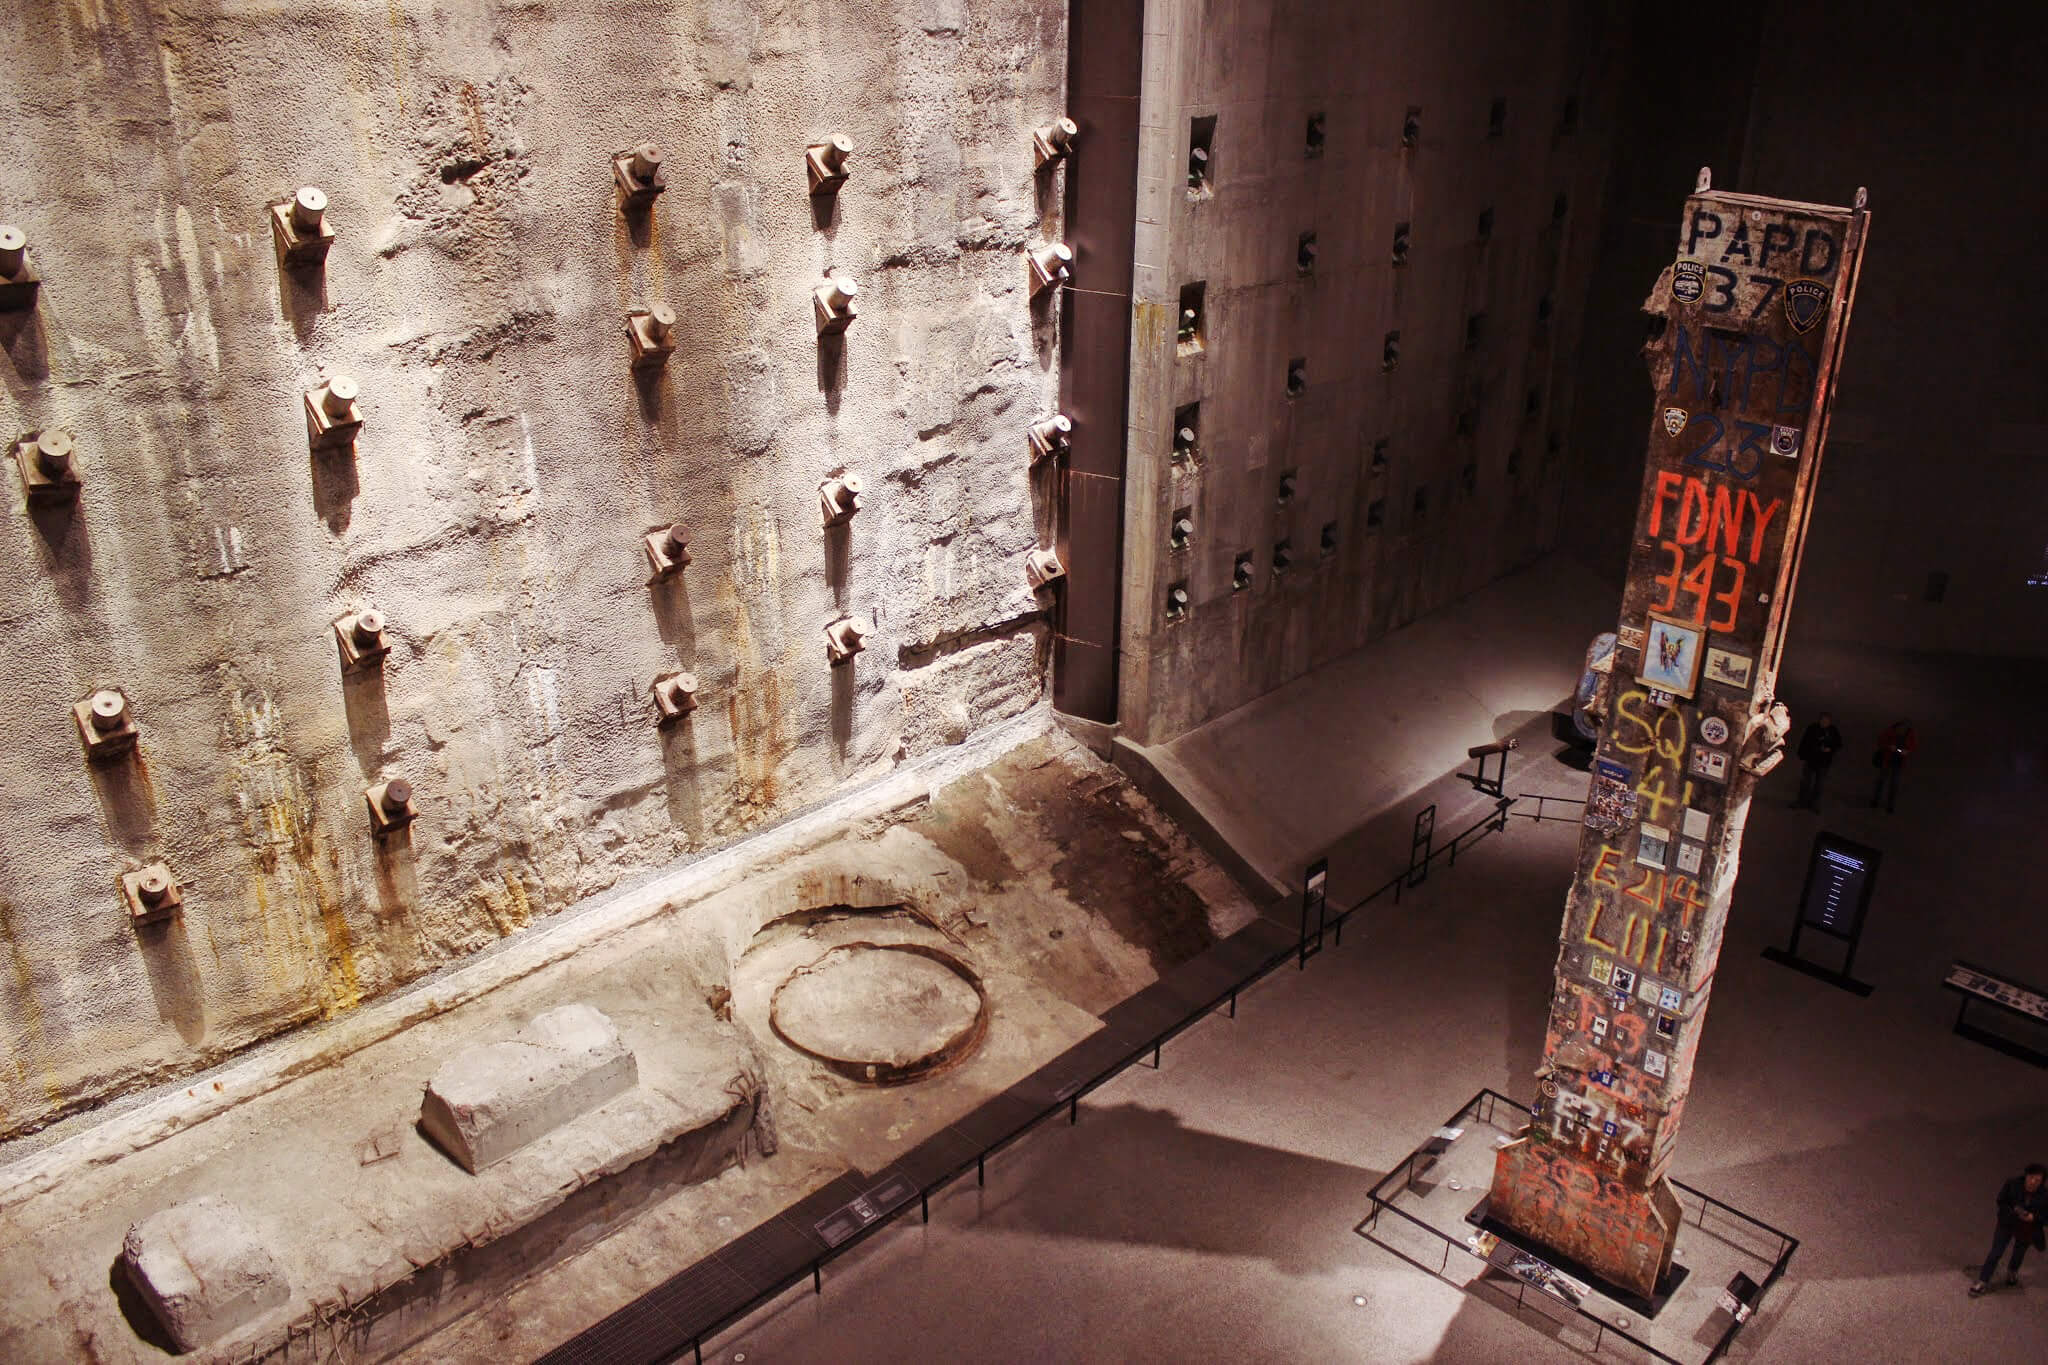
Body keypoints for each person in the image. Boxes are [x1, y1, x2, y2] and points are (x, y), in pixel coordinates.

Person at [1970, 1163, 2048, 1295]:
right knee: (1996, 1252)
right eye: (2031, 1177)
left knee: (2019, 1253)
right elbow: (2001, 1201)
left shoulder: (2045, 1196)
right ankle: (1983, 1281)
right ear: (2026, 1175)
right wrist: (2014, 1211)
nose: (2033, 1182)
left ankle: (2012, 1272)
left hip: (2027, 1229)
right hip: (2007, 1223)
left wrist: (2033, 1217)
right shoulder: (2013, 1184)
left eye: (2037, 1180)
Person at [1794, 711, 1843, 809]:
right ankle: (1801, 802)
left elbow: (1838, 744)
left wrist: (1830, 749)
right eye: (1823, 720)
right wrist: (1804, 753)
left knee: (1819, 785)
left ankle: (1814, 804)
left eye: (1827, 721)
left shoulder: (1832, 731)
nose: (1824, 723)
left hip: (1823, 762)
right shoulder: (1812, 729)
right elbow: (1805, 742)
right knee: (1805, 783)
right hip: (1811, 760)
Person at [1869, 718, 1916, 813]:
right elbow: (1880, 741)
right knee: (1881, 781)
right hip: (1887, 760)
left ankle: (1889, 804)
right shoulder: (1890, 731)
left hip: (1898, 762)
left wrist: (1907, 751)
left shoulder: (1910, 733)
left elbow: (1913, 745)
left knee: (1893, 785)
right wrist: (1889, 746)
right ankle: (1875, 800)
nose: (1901, 731)